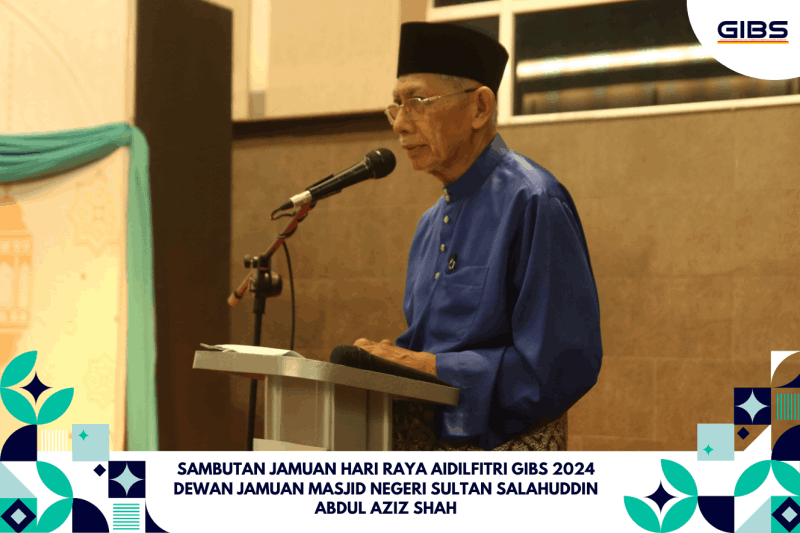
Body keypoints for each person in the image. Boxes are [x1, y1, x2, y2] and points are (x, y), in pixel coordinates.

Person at [354, 22, 602, 451]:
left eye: (417, 102)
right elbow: (429, 345)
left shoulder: (534, 199)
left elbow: (563, 366)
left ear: (479, 108)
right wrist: (392, 362)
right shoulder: (429, 223)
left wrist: (432, 368)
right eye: (396, 106)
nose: (401, 125)